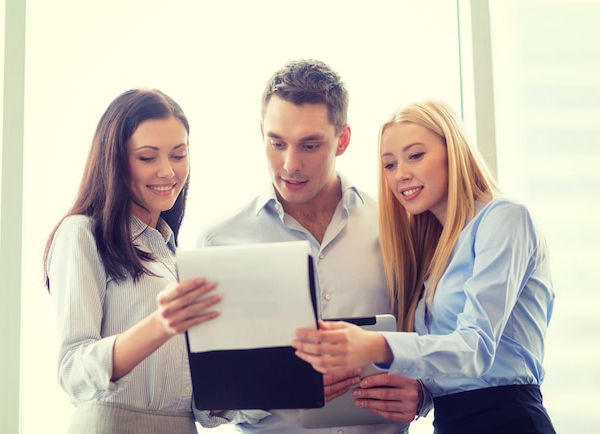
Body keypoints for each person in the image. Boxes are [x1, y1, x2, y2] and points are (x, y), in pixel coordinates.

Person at [292, 99, 557, 434]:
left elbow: (475, 347)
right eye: (389, 164)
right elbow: (448, 370)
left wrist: (373, 345)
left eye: (415, 155)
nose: (401, 174)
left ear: (453, 152)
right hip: (449, 423)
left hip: (507, 420)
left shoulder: (504, 218)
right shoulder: (432, 250)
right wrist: (420, 394)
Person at [197, 59, 428, 433]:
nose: (290, 164)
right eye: (276, 143)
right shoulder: (219, 242)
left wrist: (423, 395)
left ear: (343, 139)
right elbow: (206, 403)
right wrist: (282, 385)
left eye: (309, 145)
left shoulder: (398, 225)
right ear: (261, 134)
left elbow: (436, 342)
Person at [43, 89, 261, 433]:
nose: (167, 171)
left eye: (179, 155)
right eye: (147, 157)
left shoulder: (172, 256)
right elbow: (73, 370)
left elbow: (201, 406)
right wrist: (162, 324)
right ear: (115, 161)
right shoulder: (82, 234)